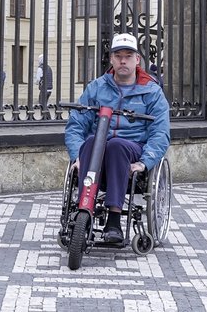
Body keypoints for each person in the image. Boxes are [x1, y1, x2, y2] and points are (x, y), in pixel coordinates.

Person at [64, 33, 170, 243]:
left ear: (137, 59)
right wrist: (77, 155)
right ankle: (84, 211)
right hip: (96, 149)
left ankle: (114, 219)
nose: (123, 60)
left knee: (116, 145)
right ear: (111, 59)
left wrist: (145, 162)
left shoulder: (152, 91)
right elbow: (76, 125)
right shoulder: (96, 87)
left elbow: (160, 132)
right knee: (92, 141)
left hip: (131, 149)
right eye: (118, 55)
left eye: (128, 56)